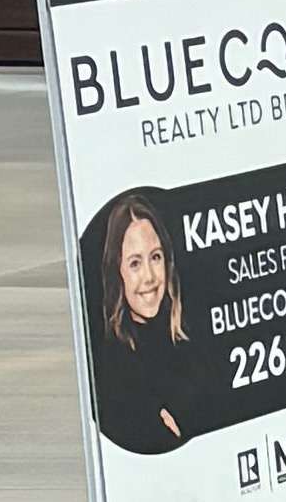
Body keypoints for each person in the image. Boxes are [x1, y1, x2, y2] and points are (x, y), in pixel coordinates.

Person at [85, 192, 202, 455]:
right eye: (135, 263)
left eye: (156, 257)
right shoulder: (114, 366)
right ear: (118, 272)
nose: (149, 277)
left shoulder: (187, 343)